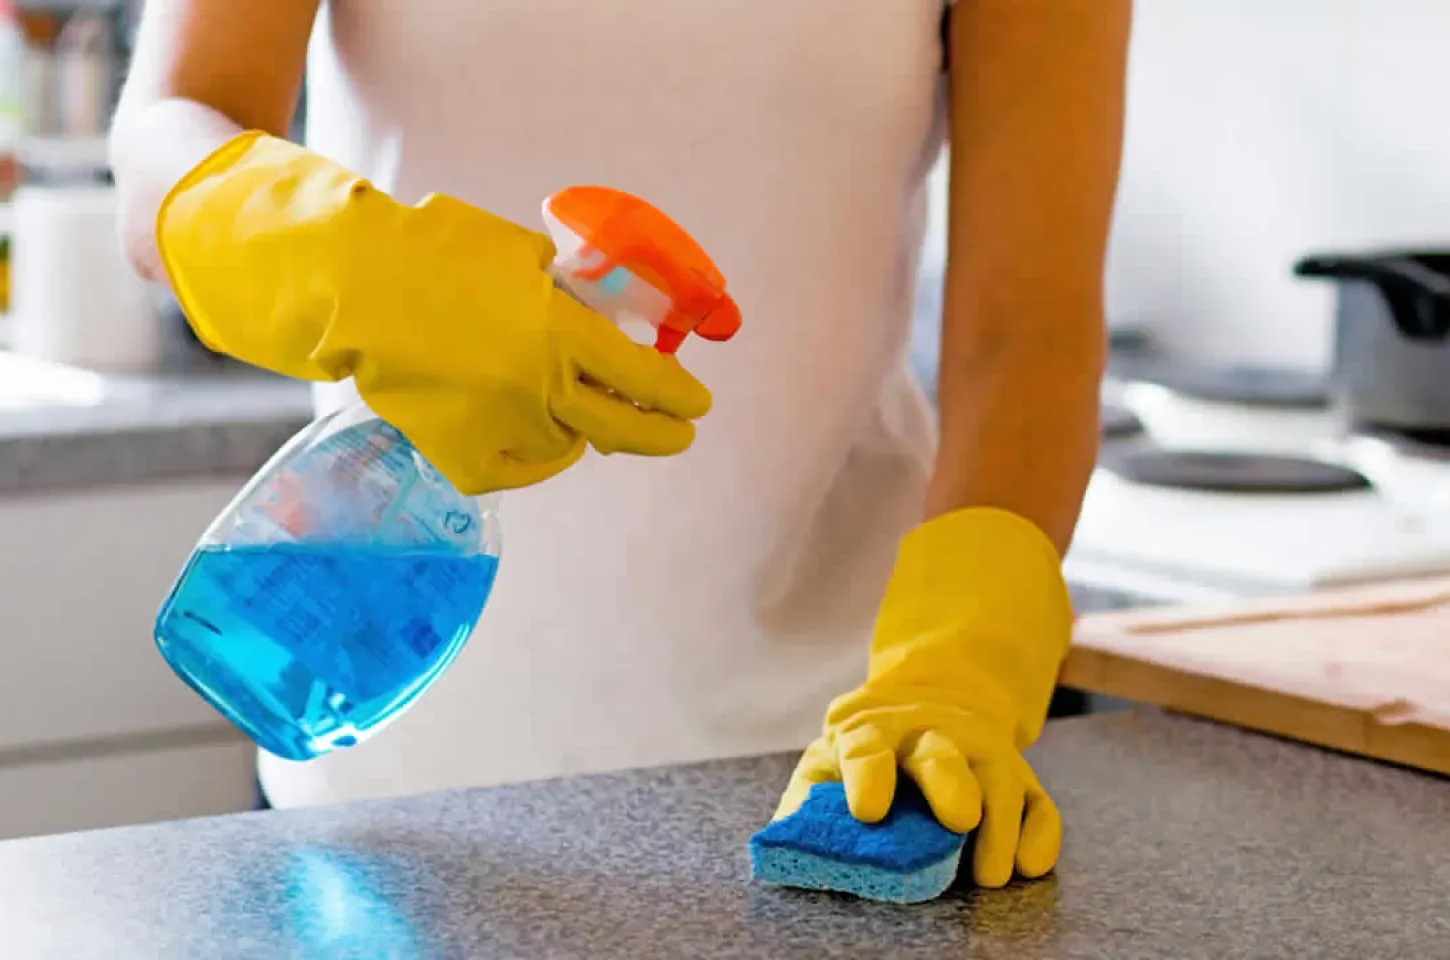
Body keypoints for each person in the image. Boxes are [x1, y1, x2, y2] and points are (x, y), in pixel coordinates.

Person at [111, 0, 1129, 889]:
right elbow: (165, 139)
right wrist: (354, 261)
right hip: (376, 776)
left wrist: (954, 669)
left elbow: (1026, 332)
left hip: (824, 784)